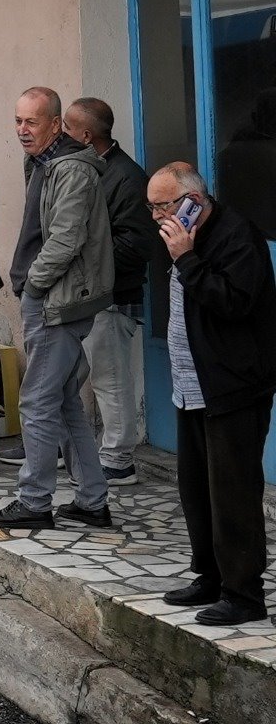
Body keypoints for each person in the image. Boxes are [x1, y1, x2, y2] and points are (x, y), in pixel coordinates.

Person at [0, 87, 113, 533]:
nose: (22, 130)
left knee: (37, 401)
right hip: (49, 298)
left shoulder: (72, 170)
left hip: (58, 302)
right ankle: (93, 501)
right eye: (18, 121)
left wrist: (34, 285)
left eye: (31, 122)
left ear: (56, 124)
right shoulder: (41, 162)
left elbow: (65, 239)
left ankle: (34, 501)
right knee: (63, 403)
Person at [150, 162, 276, 626]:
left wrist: (186, 258)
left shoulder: (237, 237)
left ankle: (244, 595)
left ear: (193, 202)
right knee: (196, 487)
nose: (157, 215)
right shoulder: (184, 234)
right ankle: (209, 575)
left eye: (163, 205)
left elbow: (232, 302)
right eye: (153, 206)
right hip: (192, 383)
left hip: (233, 385)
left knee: (233, 493)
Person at [64, 96, 151, 482]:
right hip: (86, 296)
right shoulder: (91, 169)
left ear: (85, 135)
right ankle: (70, 446)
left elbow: (134, 247)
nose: (61, 133)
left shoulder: (127, 177)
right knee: (81, 376)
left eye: (67, 127)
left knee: (111, 380)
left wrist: (82, 258)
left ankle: (118, 460)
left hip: (112, 298)